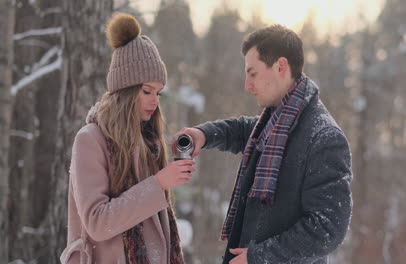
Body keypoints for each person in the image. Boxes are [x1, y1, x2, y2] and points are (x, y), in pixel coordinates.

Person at [172, 25, 353, 264]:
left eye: (253, 73)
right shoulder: (278, 121)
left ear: (280, 66)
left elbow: (328, 229)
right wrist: (203, 134)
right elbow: (243, 130)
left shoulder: (324, 138)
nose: (247, 85)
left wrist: (259, 256)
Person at [60, 13, 194, 264]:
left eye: (159, 93)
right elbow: (98, 222)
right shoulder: (90, 140)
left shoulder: (149, 144)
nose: (155, 101)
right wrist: (159, 183)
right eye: (146, 91)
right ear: (125, 91)